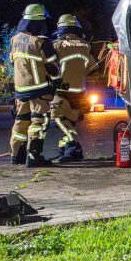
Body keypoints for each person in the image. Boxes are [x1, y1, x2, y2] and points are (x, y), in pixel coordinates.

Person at [9, 3, 59, 167]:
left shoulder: (14, 39)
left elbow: (13, 62)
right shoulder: (41, 42)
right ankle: (34, 157)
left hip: (20, 91)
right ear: (39, 22)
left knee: (20, 122)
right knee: (39, 122)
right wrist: (57, 80)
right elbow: (52, 66)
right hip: (39, 90)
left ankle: (16, 156)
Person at [48, 14, 96, 162]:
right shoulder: (86, 45)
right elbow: (92, 67)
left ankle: (74, 147)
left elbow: (50, 67)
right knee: (69, 122)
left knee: (58, 120)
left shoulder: (57, 45)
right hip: (79, 91)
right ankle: (65, 150)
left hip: (62, 89)